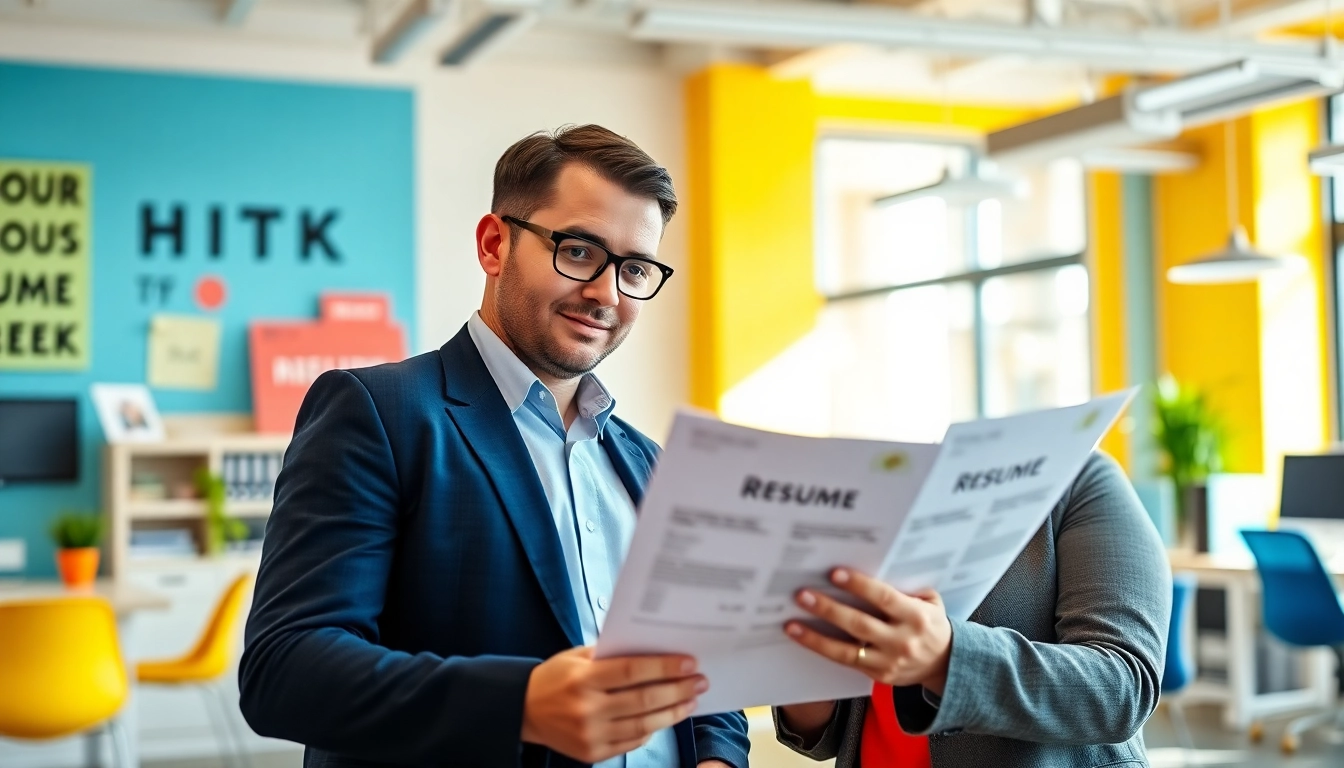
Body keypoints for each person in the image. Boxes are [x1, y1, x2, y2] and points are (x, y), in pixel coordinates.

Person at [239, 125, 749, 768]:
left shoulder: (650, 463)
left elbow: (699, 668)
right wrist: (522, 705)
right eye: (579, 251)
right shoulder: (379, 414)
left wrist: (716, 757)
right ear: (493, 244)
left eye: (635, 269)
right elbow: (285, 669)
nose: (607, 293)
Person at [774, 452, 1171, 767]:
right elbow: (832, 733)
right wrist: (799, 665)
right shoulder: (874, 498)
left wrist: (948, 659)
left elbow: (1124, 685)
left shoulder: (1081, 477)